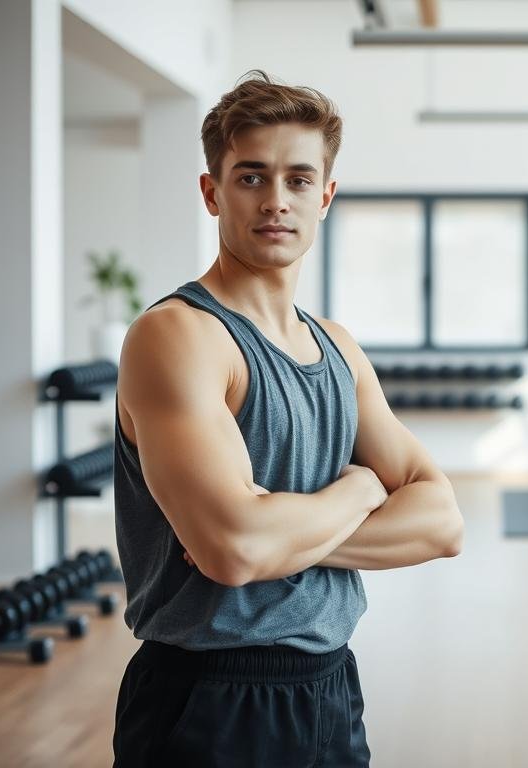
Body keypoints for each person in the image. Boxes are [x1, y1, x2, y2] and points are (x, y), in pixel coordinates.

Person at [111, 70, 463, 767]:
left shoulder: (338, 347)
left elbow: (442, 523)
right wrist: (360, 489)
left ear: (324, 196)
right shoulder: (180, 336)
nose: (276, 200)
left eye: (299, 180)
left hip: (330, 688)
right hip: (208, 698)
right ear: (212, 192)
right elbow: (236, 550)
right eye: (251, 177)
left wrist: (281, 537)